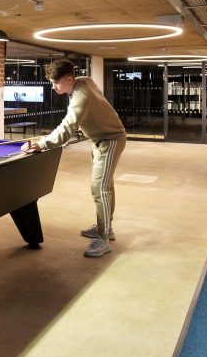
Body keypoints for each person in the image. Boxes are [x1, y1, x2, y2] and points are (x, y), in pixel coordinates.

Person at [21, 59, 127, 257]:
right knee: (106, 186)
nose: (53, 87)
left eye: (56, 83)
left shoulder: (80, 96)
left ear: (69, 79)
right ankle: (106, 227)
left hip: (110, 140)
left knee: (100, 188)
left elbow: (67, 128)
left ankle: (103, 239)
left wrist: (42, 143)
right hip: (100, 139)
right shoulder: (84, 81)